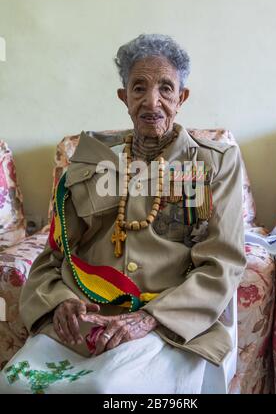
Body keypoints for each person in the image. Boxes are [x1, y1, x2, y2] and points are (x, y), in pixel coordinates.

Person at [0, 34, 246, 394]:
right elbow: (55, 255)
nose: (152, 101)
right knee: (14, 382)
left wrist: (150, 318)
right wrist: (59, 301)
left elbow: (222, 263)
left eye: (165, 88)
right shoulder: (91, 162)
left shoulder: (213, 163)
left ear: (182, 98)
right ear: (123, 98)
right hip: (89, 318)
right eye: (139, 88)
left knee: (107, 391)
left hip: (170, 322)